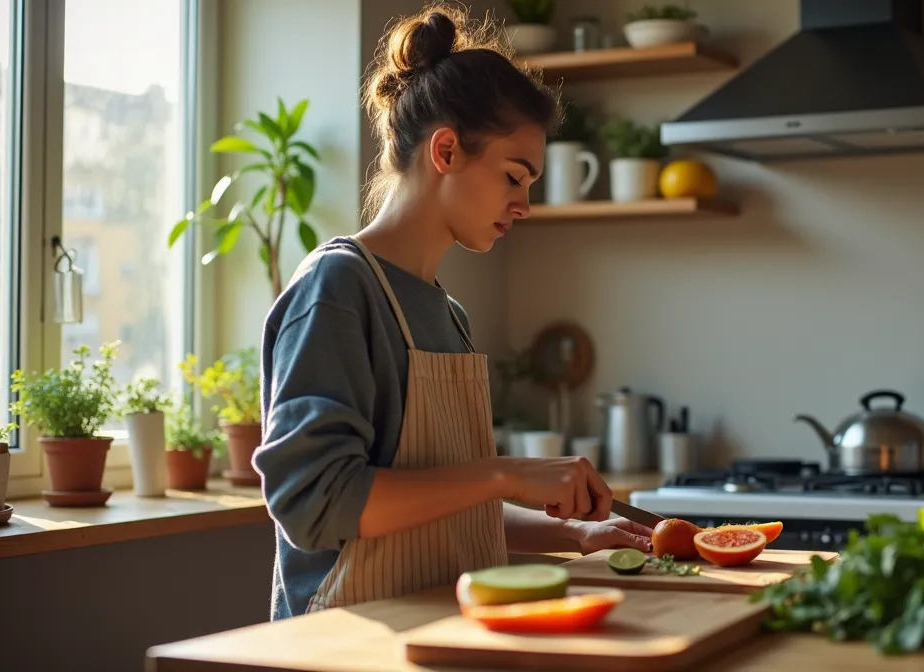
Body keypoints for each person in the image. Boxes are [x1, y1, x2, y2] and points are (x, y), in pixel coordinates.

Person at [253, 3, 652, 621]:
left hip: (442, 632)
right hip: (344, 645)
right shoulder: (336, 290)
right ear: (445, 151)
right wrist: (509, 474)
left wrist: (576, 536)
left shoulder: (448, 314)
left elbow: (444, 505)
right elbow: (319, 505)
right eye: (514, 177)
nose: (524, 205)